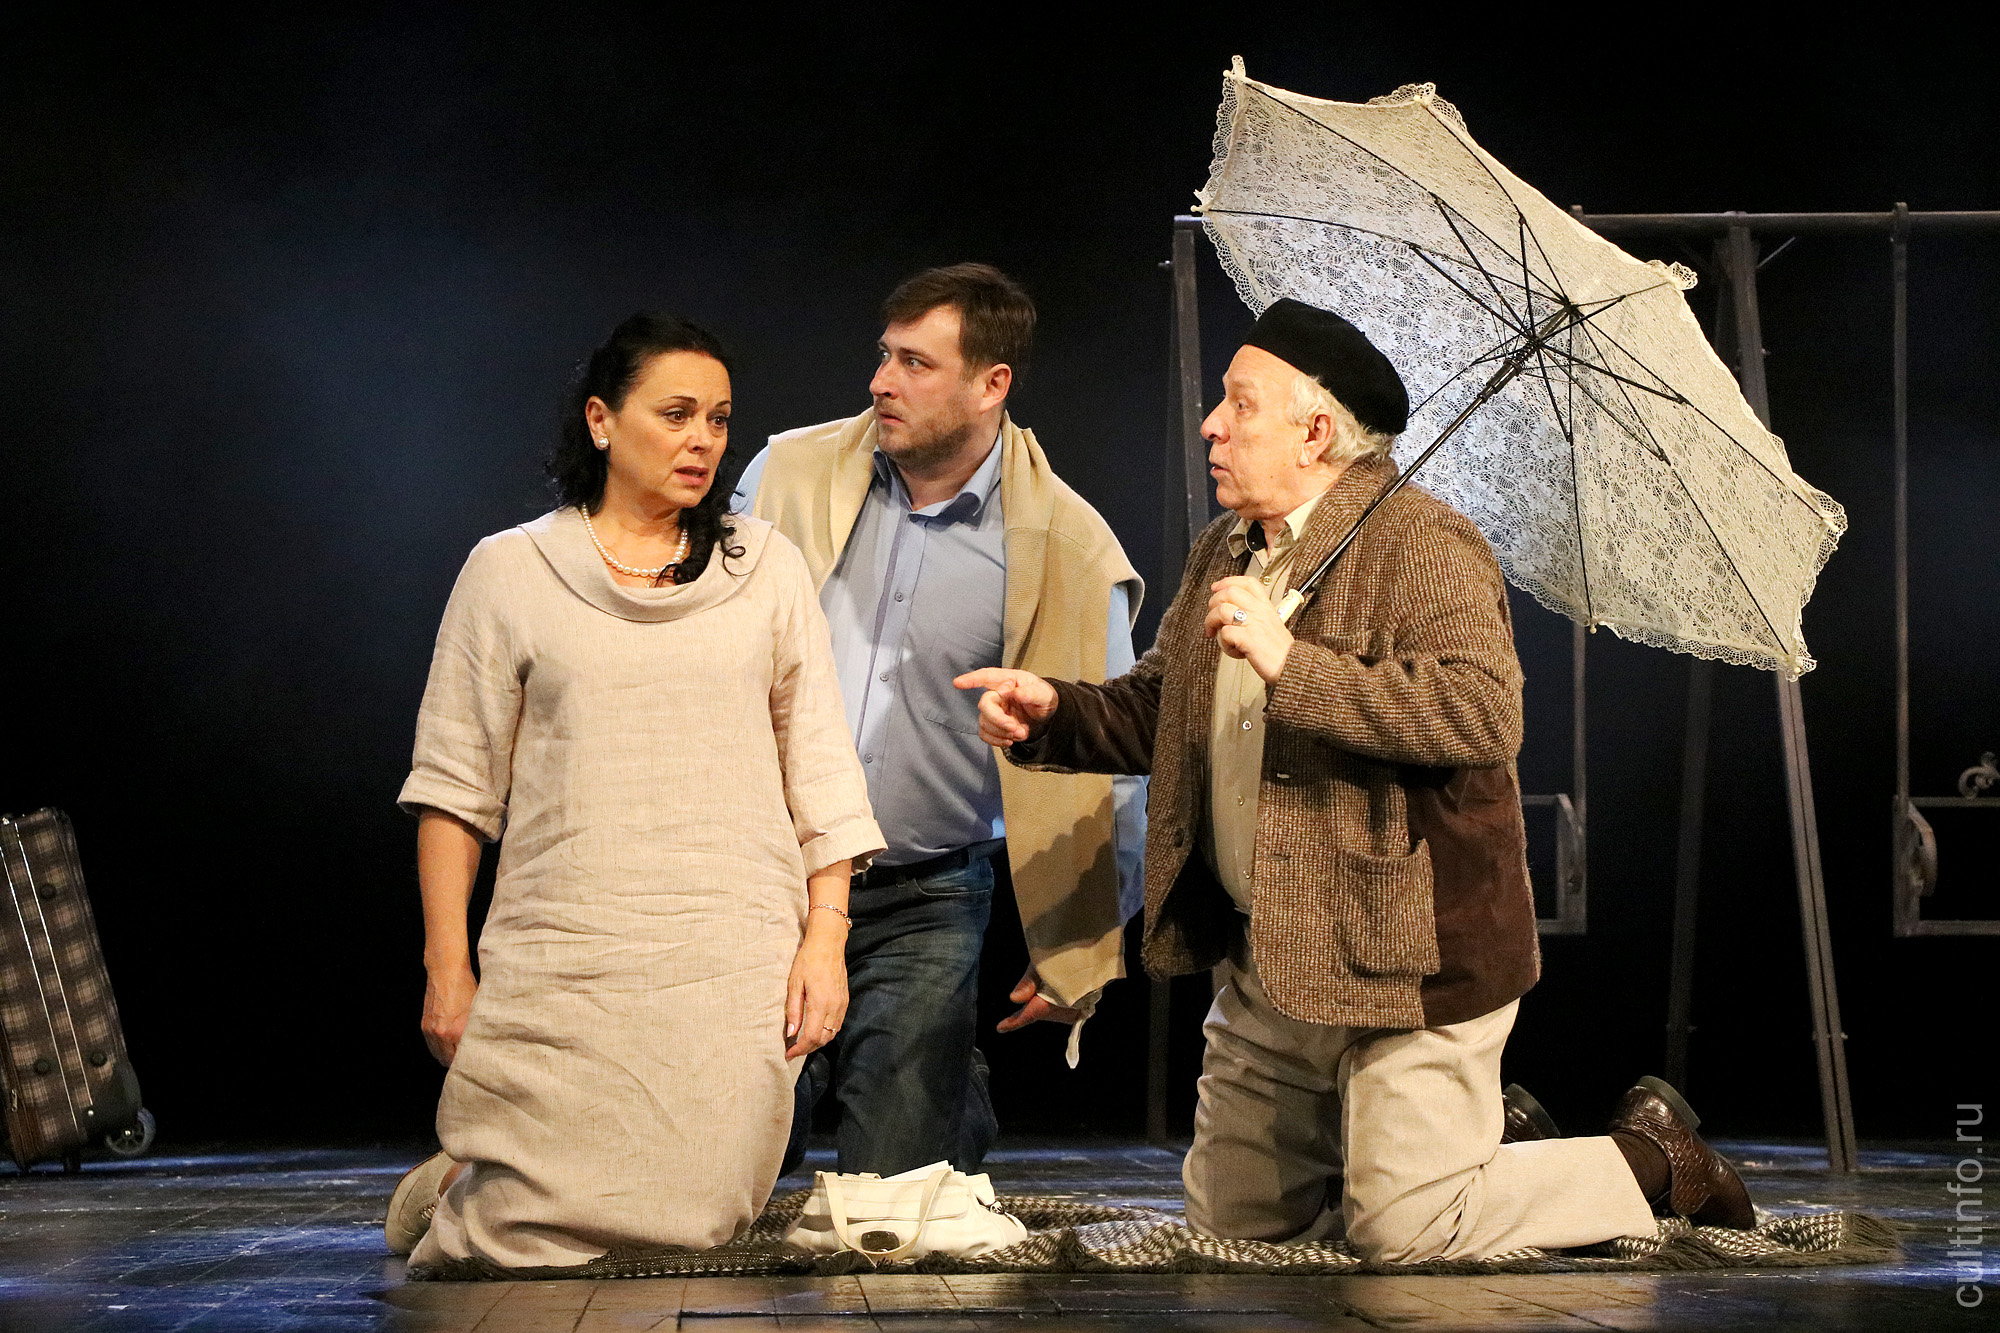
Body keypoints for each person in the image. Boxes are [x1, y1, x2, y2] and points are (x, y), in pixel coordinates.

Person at [957, 298, 1755, 1261]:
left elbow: (1482, 713)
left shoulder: (1424, 541)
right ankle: (1474, 1153)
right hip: (1274, 952)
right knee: (1234, 1228)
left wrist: (1292, 665)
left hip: (1407, 959)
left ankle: (1654, 1158)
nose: (1211, 424)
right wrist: (1055, 711)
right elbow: (1168, 703)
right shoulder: (1230, 545)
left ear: (1315, 432)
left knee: (1404, 1231)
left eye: (1239, 404)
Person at [386, 313, 884, 1269]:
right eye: (677, 414)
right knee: (520, 1228)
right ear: (602, 421)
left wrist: (826, 939)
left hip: (729, 945)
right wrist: (447, 964)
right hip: (567, 941)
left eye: (719, 419)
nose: (703, 440)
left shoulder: (764, 568)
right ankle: (460, 1186)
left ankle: (464, 1179)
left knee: (702, 1214)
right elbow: (454, 785)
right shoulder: (511, 570)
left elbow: (822, 767)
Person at [732, 263, 1145, 1176]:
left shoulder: (1066, 545)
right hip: (769, 874)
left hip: (925, 895)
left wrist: (1084, 937)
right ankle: (931, 1069)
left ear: (991, 384)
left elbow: (1113, 748)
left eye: (916, 363)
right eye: (886, 355)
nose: (882, 381)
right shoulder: (784, 476)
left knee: (897, 1192)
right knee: (735, 1167)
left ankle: (941, 1081)